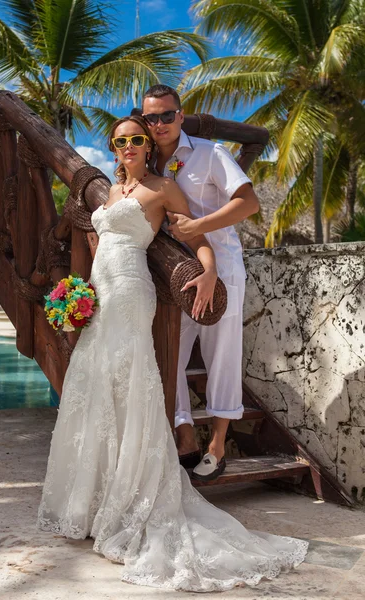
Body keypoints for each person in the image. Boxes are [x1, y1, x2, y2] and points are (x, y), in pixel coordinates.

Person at [38, 115, 308, 592]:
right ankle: (94, 496)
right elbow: (96, 239)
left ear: (148, 145)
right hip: (101, 294)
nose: (129, 147)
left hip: (131, 293)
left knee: (127, 381)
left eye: (137, 139)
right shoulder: (109, 191)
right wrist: (76, 292)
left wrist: (208, 274)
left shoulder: (164, 188)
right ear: (114, 146)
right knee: (95, 385)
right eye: (120, 141)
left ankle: (131, 496)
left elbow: (197, 238)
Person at [142, 84, 259, 481]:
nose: (158, 124)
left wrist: (199, 226)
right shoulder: (148, 163)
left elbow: (249, 201)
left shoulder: (211, 154)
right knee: (169, 355)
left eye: (165, 115)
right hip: (173, 276)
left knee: (221, 356)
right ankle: (187, 437)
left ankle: (217, 445)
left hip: (219, 271)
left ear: (180, 114)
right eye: (150, 117)